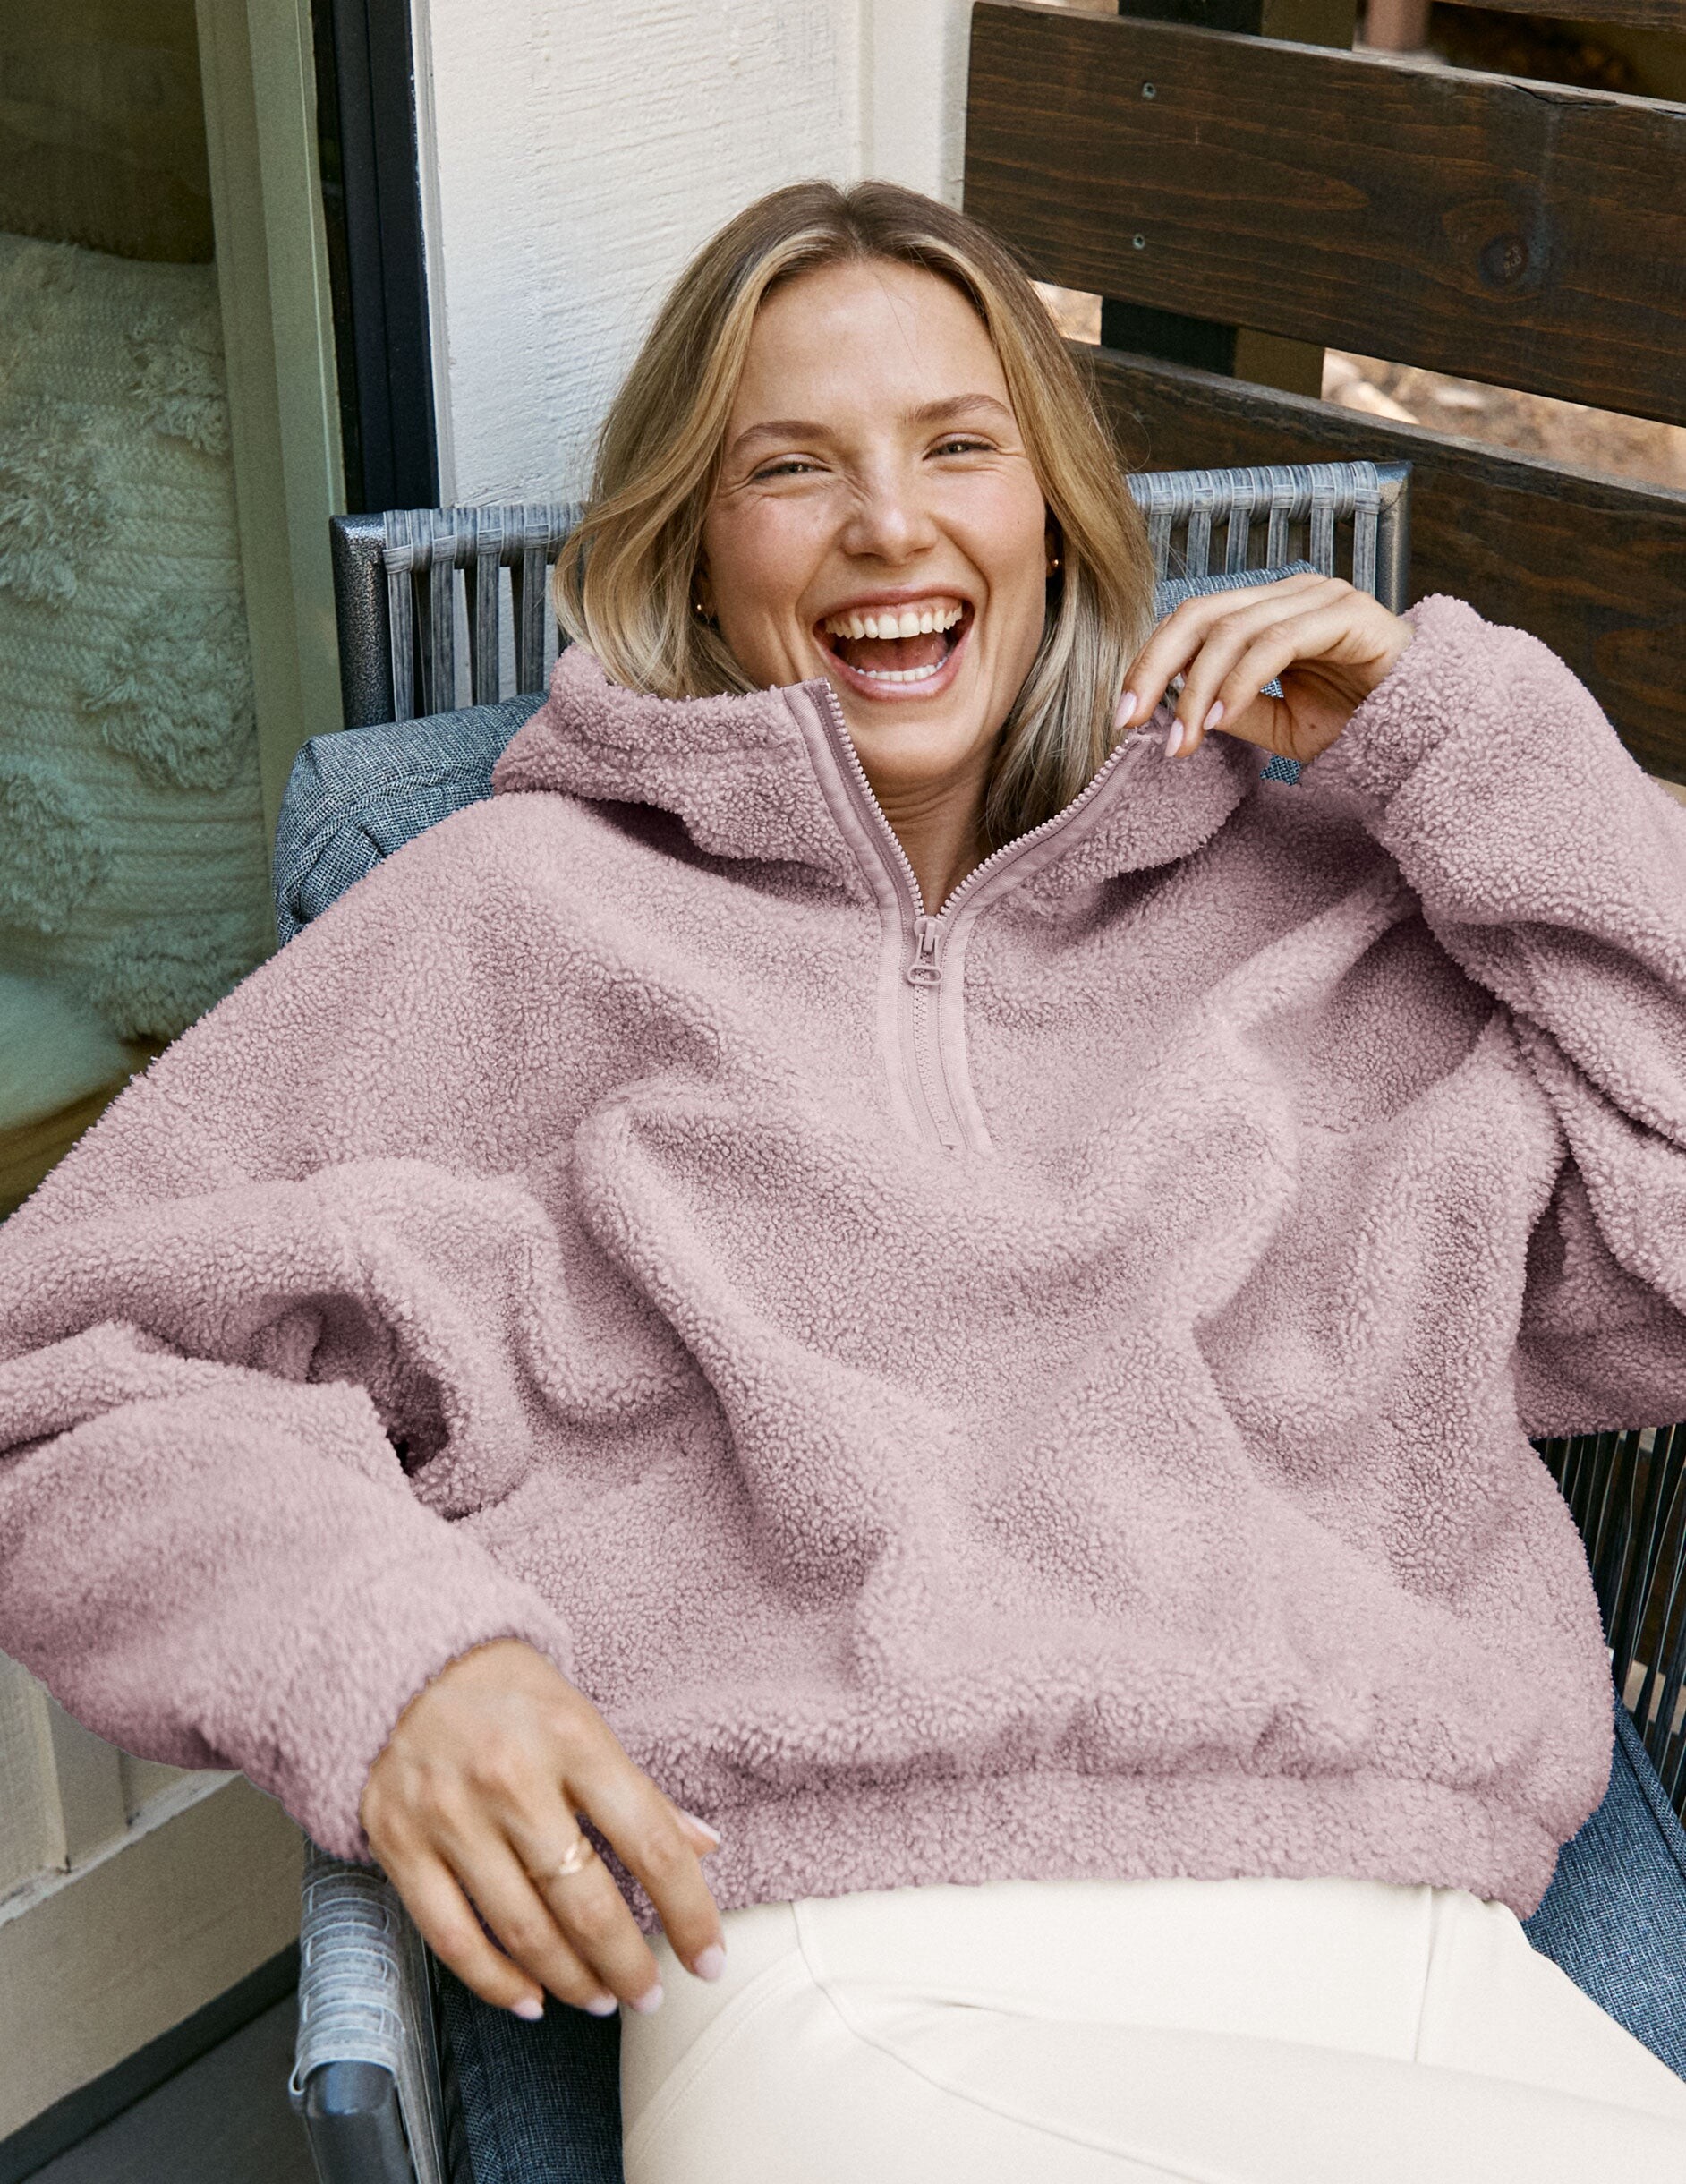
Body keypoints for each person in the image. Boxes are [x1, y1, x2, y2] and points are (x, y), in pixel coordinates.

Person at [2, 179, 1685, 2181]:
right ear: (696, 552)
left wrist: (1462, 739)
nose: (891, 524)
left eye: (959, 446)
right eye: (793, 468)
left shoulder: (1338, 904)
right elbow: (58, 1358)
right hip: (844, 1941)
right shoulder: (504, 921)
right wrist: (384, 1654)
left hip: (1408, 1919)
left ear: (1052, 516)